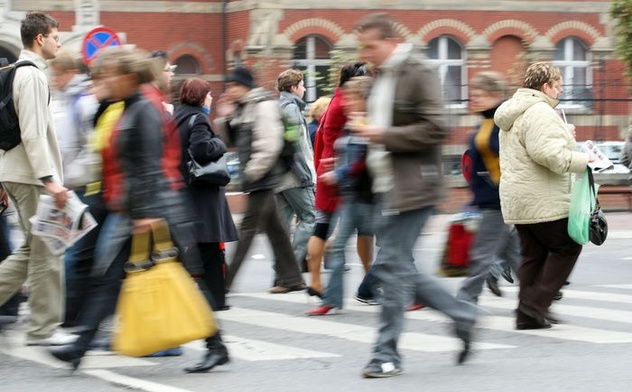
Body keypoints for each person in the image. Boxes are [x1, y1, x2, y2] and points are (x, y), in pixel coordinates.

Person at [48, 48, 229, 374]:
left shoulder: (143, 109)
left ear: (129, 77)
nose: (105, 81)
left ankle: (216, 344)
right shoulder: (129, 106)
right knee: (111, 278)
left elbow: (150, 165)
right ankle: (80, 345)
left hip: (156, 210)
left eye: (111, 75)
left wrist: (146, 213)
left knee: (180, 279)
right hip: (141, 209)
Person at [352, 13, 478, 378]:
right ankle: (463, 314)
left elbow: (437, 127)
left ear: (391, 42)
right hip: (386, 186)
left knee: (391, 266)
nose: (366, 53)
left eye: (371, 46)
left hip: (415, 186)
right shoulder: (381, 77)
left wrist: (382, 134)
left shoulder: (417, 70)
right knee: (398, 268)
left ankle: (386, 354)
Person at [494, 62, 590, 330]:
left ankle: (526, 317)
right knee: (567, 246)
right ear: (545, 86)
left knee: (533, 254)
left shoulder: (515, 110)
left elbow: (533, 145)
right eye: (557, 85)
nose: (560, 91)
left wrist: (564, 135)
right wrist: (585, 159)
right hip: (542, 197)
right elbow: (548, 155)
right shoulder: (540, 111)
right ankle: (535, 304)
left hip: (519, 199)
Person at [0, 11, 76, 346]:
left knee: (32, 250)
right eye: (56, 36)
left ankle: (44, 326)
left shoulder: (20, 72)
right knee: (47, 250)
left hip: (19, 173)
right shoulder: (31, 76)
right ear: (40, 38)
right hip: (32, 176)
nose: (60, 42)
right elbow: (32, 134)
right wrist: (49, 179)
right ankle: (43, 329)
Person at [215, 67, 305, 294]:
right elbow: (233, 141)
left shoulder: (262, 106)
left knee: (247, 230)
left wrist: (253, 172)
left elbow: (269, 144)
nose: (230, 90)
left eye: (234, 85)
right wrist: (225, 117)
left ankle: (226, 282)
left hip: (263, 177)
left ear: (245, 85)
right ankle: (293, 278)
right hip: (258, 177)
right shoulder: (245, 107)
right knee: (276, 230)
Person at [307, 76, 376, 316]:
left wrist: (339, 173)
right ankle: (332, 300)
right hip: (352, 197)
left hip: (370, 197)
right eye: (346, 97)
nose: (346, 102)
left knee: (394, 251)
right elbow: (352, 155)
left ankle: (402, 290)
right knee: (335, 246)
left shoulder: (370, 123)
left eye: (353, 98)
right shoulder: (353, 122)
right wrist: (334, 164)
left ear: (365, 99)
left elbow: (365, 160)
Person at [454, 72, 522, 303]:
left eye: (480, 95)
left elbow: (506, 157)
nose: (474, 99)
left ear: (495, 95)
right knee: (514, 254)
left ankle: (465, 301)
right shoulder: (486, 120)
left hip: (498, 197)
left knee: (482, 253)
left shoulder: (499, 122)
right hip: (490, 196)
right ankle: (539, 298)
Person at [174, 77, 239, 310]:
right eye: (209, 94)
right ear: (201, 96)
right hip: (203, 190)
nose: (211, 98)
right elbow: (200, 149)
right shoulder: (199, 118)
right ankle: (213, 300)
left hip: (186, 189)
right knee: (207, 246)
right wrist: (219, 143)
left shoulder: (177, 116)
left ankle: (215, 299)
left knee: (204, 246)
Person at [49, 49, 103, 327]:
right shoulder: (65, 99)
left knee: (73, 251)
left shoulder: (83, 101)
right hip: (69, 186)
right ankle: (71, 313)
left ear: (70, 72)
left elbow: (91, 147)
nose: (53, 79)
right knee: (67, 249)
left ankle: (71, 316)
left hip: (80, 186)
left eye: (57, 73)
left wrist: (72, 176)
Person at [274, 69, 316, 272]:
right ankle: (291, 268)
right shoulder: (291, 109)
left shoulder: (278, 106)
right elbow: (294, 145)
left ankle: (281, 271)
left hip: (280, 178)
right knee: (310, 217)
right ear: (293, 88)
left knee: (282, 226)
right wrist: (304, 173)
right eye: (302, 85)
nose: (305, 88)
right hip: (294, 177)